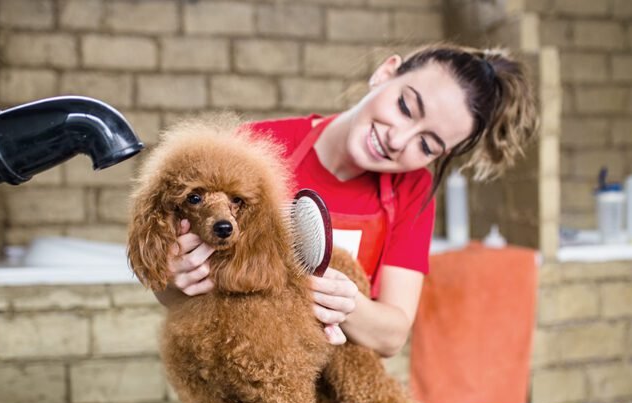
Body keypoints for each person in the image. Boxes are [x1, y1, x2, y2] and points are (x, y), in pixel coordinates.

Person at [156, 43, 538, 357]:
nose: (398, 140)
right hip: (240, 383)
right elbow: (168, 285)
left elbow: (391, 335)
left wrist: (346, 302)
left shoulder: (411, 189)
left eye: (427, 144)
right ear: (385, 73)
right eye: (406, 107)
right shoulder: (251, 147)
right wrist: (176, 279)